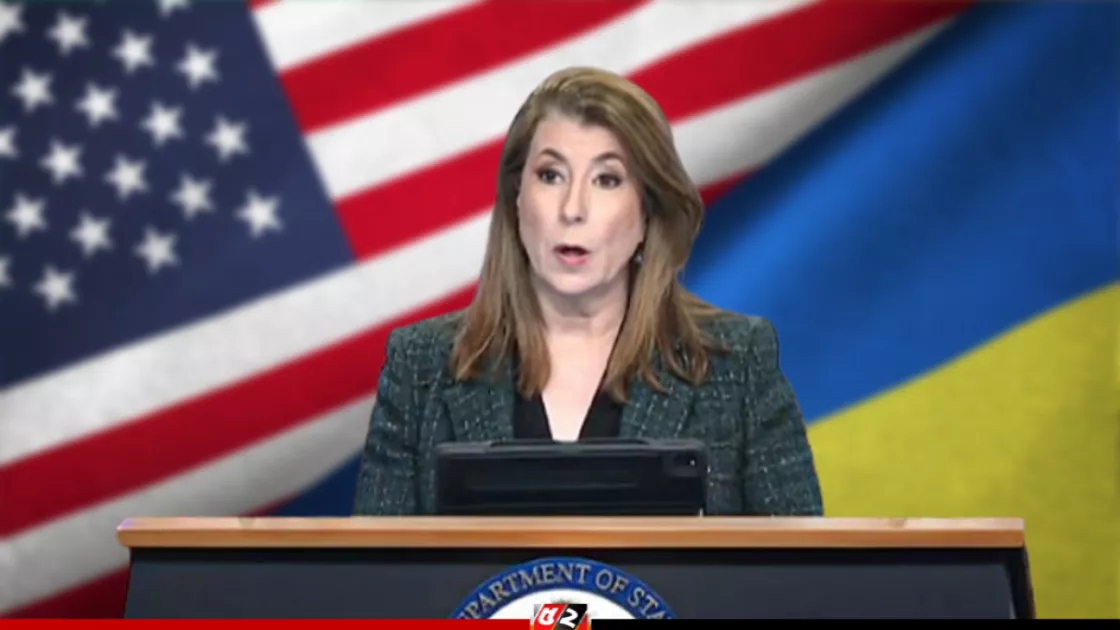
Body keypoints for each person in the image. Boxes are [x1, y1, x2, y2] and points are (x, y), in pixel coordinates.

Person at [352, 66, 823, 517]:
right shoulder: (421, 368)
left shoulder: (736, 364)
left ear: (648, 210)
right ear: (517, 198)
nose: (572, 208)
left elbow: (800, 565)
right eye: (551, 175)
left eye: (607, 179)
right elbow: (375, 569)